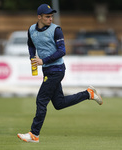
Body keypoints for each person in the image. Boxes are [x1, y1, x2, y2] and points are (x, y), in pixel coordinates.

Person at [17, 4, 103, 143]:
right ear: (39, 17)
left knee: (41, 100)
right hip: (47, 70)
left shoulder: (56, 30)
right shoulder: (31, 29)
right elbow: (31, 44)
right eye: (47, 16)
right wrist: (32, 57)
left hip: (56, 70)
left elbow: (62, 51)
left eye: (51, 16)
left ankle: (34, 134)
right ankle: (88, 94)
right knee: (59, 103)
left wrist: (43, 60)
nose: (50, 19)